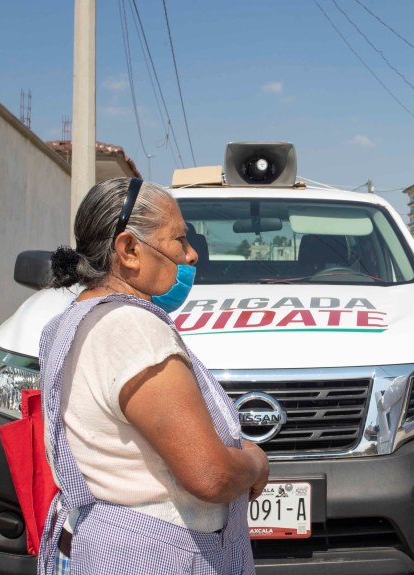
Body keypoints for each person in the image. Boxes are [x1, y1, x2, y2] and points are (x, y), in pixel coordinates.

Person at [39, 177, 269, 574]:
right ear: (129, 250)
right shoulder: (132, 328)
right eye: (179, 240)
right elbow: (209, 475)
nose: (192, 255)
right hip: (153, 555)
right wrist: (255, 464)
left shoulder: (68, 322)